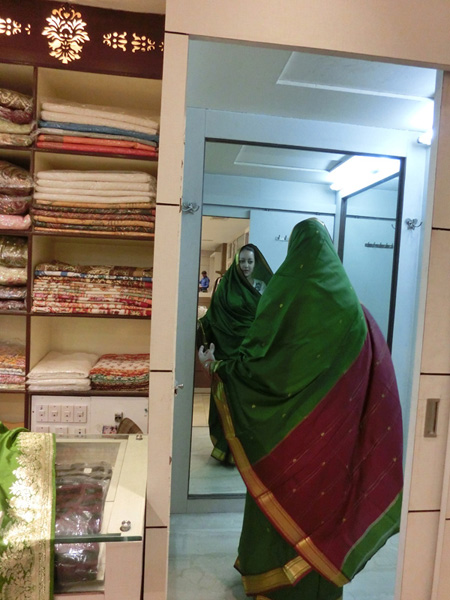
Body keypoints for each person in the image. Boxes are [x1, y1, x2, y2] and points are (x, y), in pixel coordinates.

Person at [199, 218, 403, 599]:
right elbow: (375, 379)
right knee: (324, 506)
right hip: (335, 441)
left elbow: (257, 365)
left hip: (281, 439)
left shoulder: (282, 293)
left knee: (275, 502)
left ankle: (270, 579)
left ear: (294, 250)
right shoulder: (354, 311)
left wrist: (221, 369)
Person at [198, 244, 273, 464]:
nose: (246, 265)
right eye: (242, 261)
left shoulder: (263, 287)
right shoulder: (225, 286)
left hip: (252, 354)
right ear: (236, 263)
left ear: (256, 263)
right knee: (226, 400)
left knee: (248, 403)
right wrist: (200, 326)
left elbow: (269, 318)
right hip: (226, 351)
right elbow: (214, 316)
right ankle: (226, 449)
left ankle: (247, 452)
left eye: (250, 261)